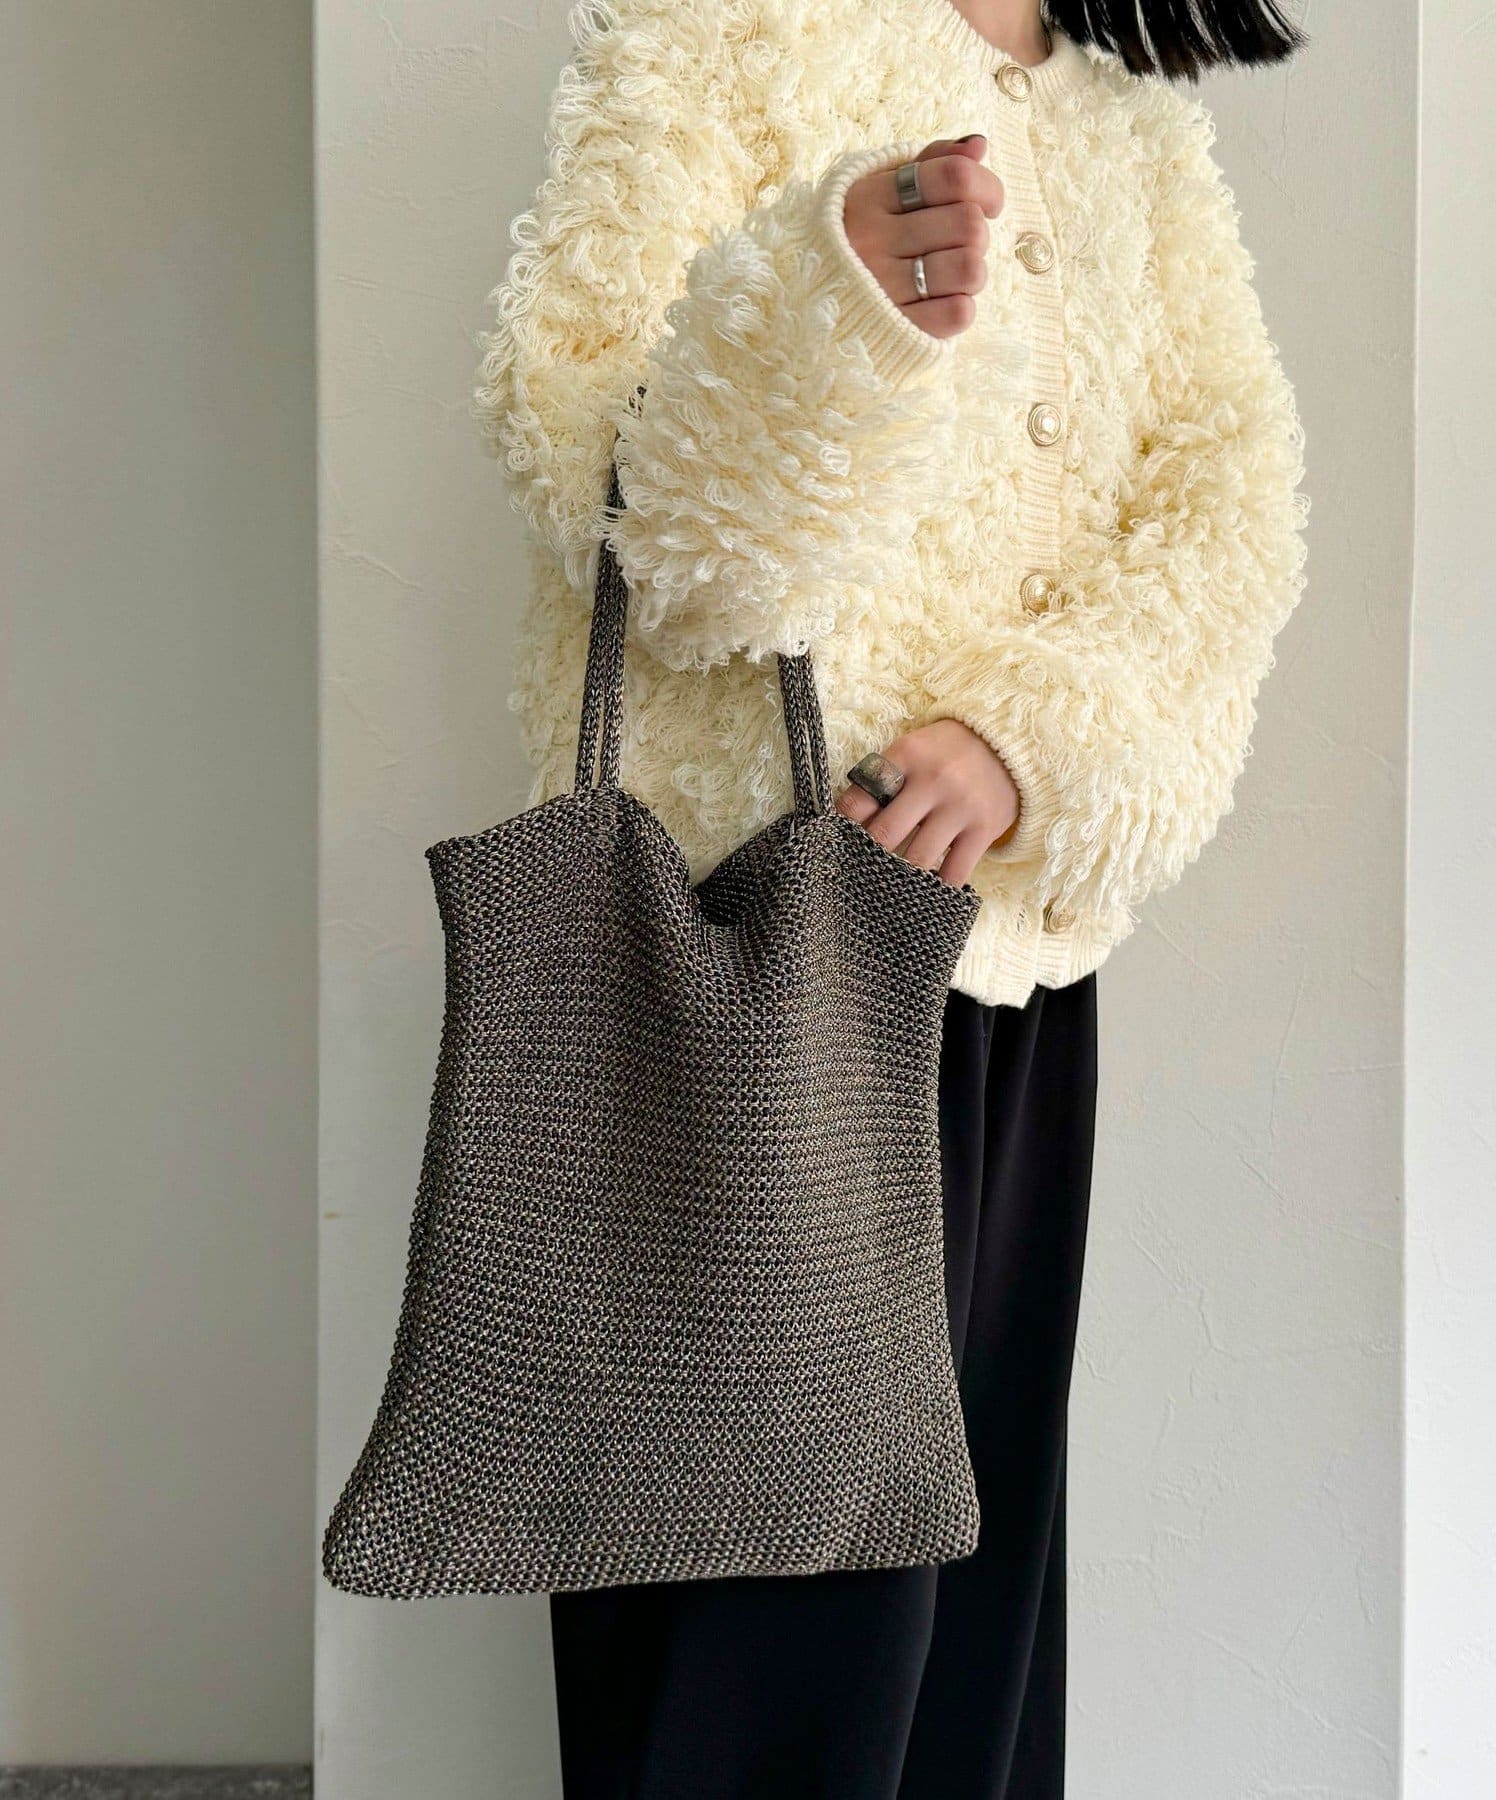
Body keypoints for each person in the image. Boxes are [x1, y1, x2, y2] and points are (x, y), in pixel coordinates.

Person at [473, 0, 1310, 1791]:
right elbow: (608, 496)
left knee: (962, 1665)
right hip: (741, 963)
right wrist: (824, 312)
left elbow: (1231, 511)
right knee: (759, 1668)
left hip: (1008, 968)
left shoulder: (1131, 117)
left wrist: (1034, 740)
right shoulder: (715, 26)